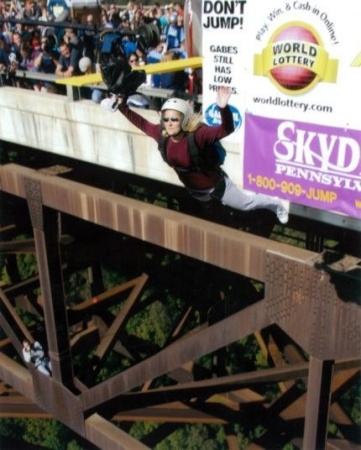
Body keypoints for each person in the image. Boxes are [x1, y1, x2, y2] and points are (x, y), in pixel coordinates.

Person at [101, 87, 289, 223]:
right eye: (166, 119)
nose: (169, 123)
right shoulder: (162, 135)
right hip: (196, 192)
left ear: (184, 120)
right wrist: (122, 107)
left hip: (216, 187)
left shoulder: (197, 136)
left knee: (245, 204)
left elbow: (226, 128)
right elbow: (141, 123)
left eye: (174, 119)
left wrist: (223, 108)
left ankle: (276, 204)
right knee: (214, 219)